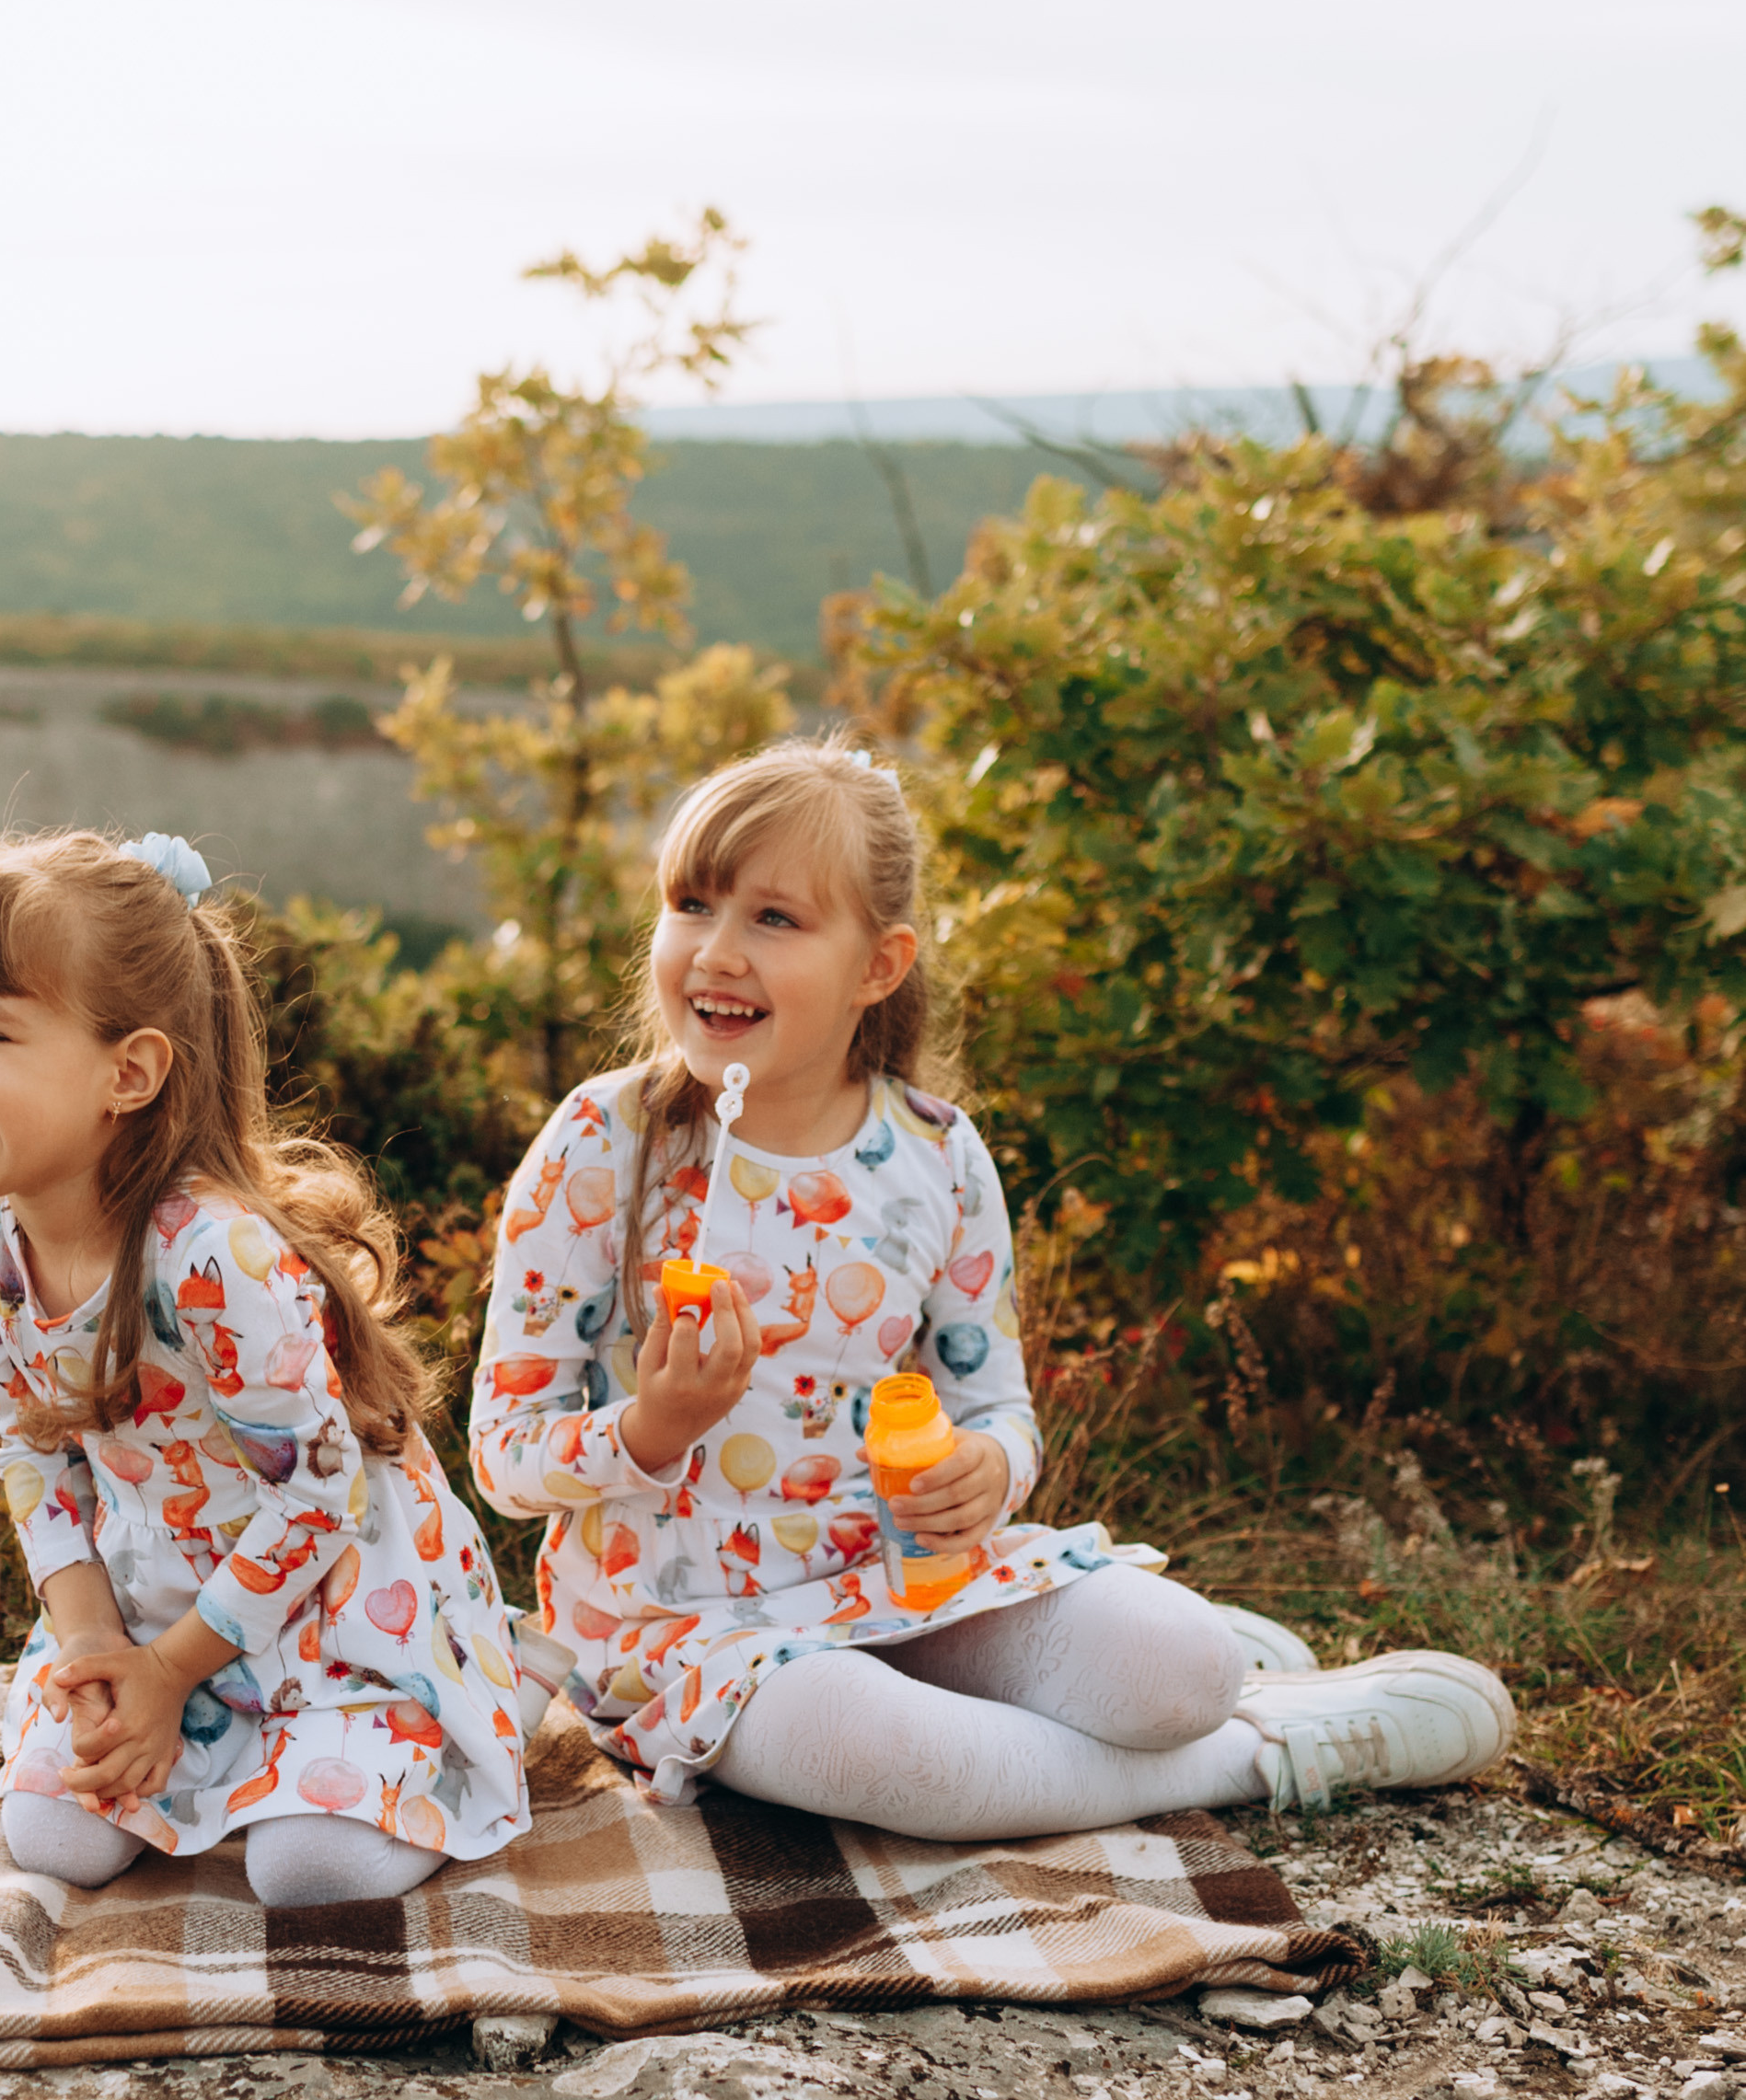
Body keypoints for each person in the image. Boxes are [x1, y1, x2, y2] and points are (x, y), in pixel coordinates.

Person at [470, 740, 1512, 1841]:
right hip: (684, 1628)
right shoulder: (603, 1143)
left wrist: (986, 1473)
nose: (716, 952)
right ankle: (1265, 1749)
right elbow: (503, 1456)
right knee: (900, 1758)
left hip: (905, 1584)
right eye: (692, 903)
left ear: (880, 965)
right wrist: (652, 1425)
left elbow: (996, 1413)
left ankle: (1206, 1694)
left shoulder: (937, 1155)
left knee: (1187, 1665)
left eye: (774, 918)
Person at [0, 828, 526, 1909]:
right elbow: (28, 1444)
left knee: (308, 1870)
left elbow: (318, 1495)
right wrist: (96, 1649)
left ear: (127, 1072)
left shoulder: (209, 1255)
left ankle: (431, 1723)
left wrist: (171, 1672)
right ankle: (208, 1747)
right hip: (149, 1598)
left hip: (327, 1599)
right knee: (54, 1837)